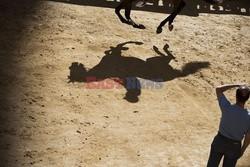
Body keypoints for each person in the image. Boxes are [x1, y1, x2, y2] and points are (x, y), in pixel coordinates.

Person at [207, 84, 250, 167]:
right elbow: (248, 138)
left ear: (236, 95)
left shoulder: (227, 107)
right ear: (247, 98)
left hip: (220, 141)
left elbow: (218, 89)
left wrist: (236, 85)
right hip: (235, 147)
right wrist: (242, 150)